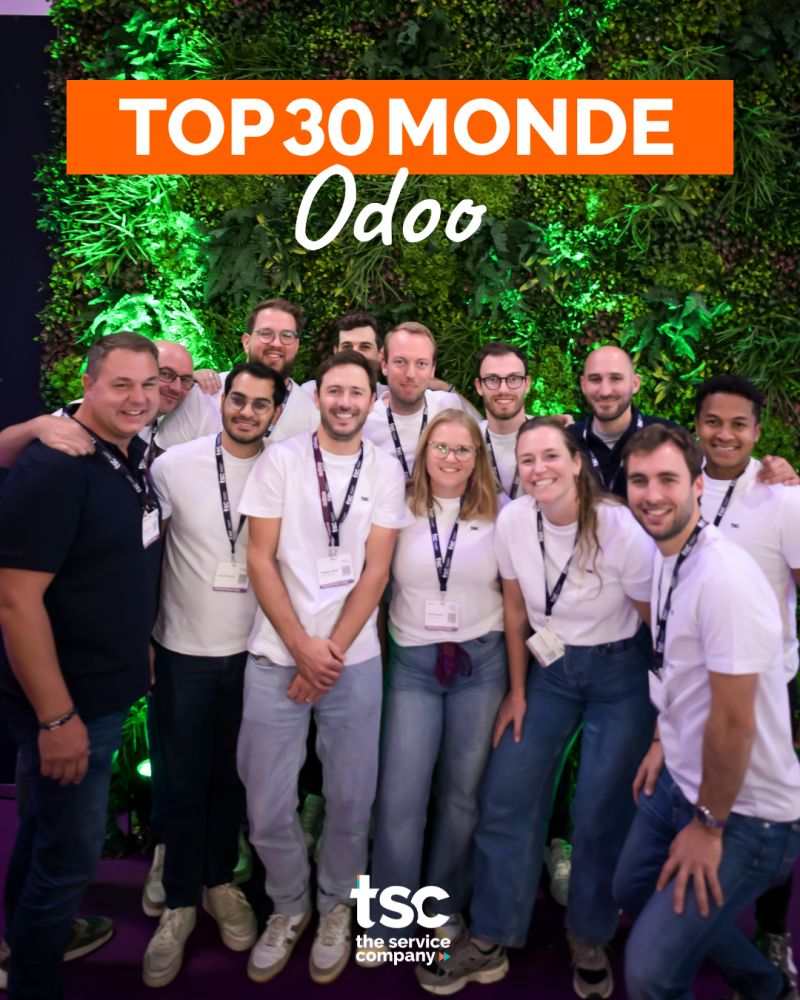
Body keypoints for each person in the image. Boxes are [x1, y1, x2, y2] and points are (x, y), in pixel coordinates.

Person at [418, 416, 657, 999]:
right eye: (527, 460)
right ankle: (492, 933)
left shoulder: (618, 526)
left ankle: (589, 934)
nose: (538, 469)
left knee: (598, 809)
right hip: (550, 671)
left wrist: (663, 724)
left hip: (620, 672)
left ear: (577, 462)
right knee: (506, 794)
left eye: (550, 456)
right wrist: (518, 691)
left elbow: (658, 627)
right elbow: (515, 610)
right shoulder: (514, 521)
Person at [0, 332, 163, 1000]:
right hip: (69, 701)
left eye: (148, 384)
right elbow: (15, 601)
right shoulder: (57, 466)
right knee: (68, 858)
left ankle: (26, 942)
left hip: (97, 686)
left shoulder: (125, 453)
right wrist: (56, 717)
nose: (137, 398)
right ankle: (32, 982)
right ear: (88, 385)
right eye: (121, 384)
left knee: (45, 830)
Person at [236, 350, 407, 985]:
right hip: (275, 656)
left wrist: (326, 653)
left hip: (353, 661)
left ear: (372, 400)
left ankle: (336, 904)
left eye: (356, 392)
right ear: (317, 396)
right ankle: (288, 903)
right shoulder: (281, 460)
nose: (344, 402)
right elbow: (260, 559)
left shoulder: (386, 469)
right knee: (266, 802)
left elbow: (377, 572)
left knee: (352, 799)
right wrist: (301, 648)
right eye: (334, 390)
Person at [616, 423, 800, 1000]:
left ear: (697, 486)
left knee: (649, 974)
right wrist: (661, 741)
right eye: (639, 481)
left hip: (746, 811)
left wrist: (708, 825)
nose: (652, 495)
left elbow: (734, 722)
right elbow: (678, 670)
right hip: (682, 775)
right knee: (630, 887)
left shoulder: (725, 577)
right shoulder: (669, 552)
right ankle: (765, 986)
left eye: (667, 479)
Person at [140, 361, 286, 988]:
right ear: (223, 399)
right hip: (181, 648)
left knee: (233, 776)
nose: (247, 412)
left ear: (276, 412)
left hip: (254, 652)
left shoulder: (285, 470)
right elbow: (145, 554)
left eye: (260, 404)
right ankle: (178, 902)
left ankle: (221, 883)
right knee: (179, 778)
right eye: (239, 399)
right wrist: (140, 638)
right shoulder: (174, 465)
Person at [367, 410, 505, 955]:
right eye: (441, 448)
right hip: (413, 665)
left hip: (482, 664)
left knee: (462, 795)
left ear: (477, 458)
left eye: (463, 449)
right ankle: (389, 915)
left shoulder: (503, 513)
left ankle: (444, 905)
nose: (451, 458)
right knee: (400, 792)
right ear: (423, 452)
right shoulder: (396, 507)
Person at [693, 375, 800, 990]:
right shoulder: (681, 486)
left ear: (758, 431)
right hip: (692, 686)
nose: (725, 434)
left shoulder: (782, 498)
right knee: (700, 806)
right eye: (714, 422)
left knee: (771, 813)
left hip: (766, 687)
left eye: (739, 424)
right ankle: (701, 926)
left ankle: (773, 930)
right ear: (697, 427)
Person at [568, 345, 795, 497]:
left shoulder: (670, 437)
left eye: (616, 378)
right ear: (583, 384)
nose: (605, 390)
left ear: (635, 383)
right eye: (595, 379)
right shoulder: (566, 441)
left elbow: (721, 465)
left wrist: (775, 472)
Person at [0, 339, 215, 469]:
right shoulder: (92, 413)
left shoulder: (161, 419)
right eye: (165, 374)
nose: (176, 387)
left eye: (185, 379)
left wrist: (193, 380)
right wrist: (36, 426)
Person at [194, 297, 320, 443]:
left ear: (297, 346)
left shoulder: (312, 418)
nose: (276, 343)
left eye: (287, 336)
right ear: (246, 342)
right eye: (266, 333)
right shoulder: (206, 393)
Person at [363, 321, 471, 479]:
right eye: (400, 362)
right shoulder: (366, 422)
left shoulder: (449, 406)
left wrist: (447, 387)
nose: (410, 374)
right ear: (384, 365)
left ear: (432, 369)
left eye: (421, 363)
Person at [474, 342, 531, 506]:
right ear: (479, 386)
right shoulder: (467, 441)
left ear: (527, 384)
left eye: (513, 379)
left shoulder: (551, 438)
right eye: (492, 379)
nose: (503, 389)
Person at [301, 311, 387, 398]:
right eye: (347, 347)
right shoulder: (310, 393)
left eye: (365, 347)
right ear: (336, 351)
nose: (355, 353)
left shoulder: (389, 397)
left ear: (380, 354)